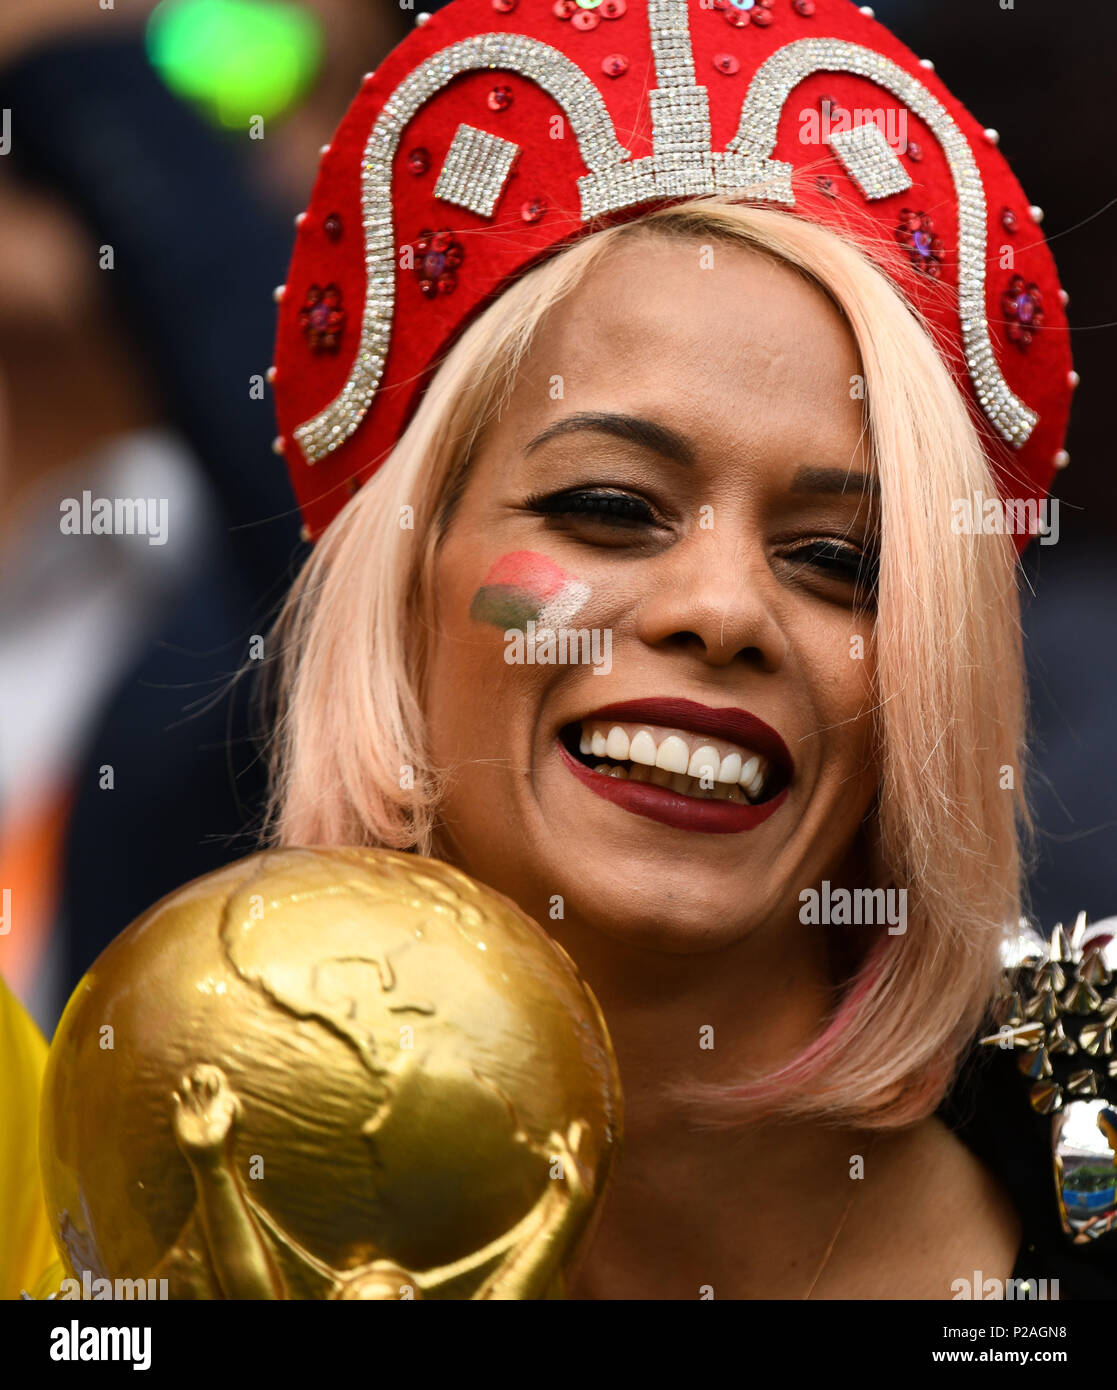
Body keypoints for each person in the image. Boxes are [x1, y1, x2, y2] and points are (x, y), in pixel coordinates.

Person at [258, 0, 1111, 1298]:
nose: (719, 611)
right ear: (403, 588)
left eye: (841, 561)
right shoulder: (173, 1177)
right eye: (605, 508)